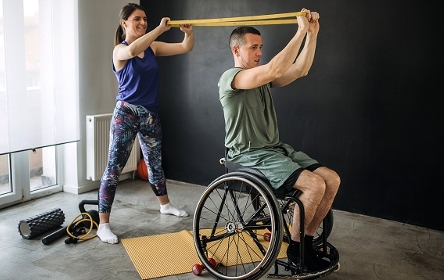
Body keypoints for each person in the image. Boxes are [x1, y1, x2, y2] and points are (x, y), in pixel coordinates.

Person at [218, 9, 340, 271]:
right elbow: (274, 68)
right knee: (315, 186)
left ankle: (305, 243)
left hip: (274, 150)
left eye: (261, 47)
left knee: (331, 179)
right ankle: (297, 250)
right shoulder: (233, 78)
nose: (259, 52)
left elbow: (300, 69)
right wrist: (299, 31)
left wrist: (312, 35)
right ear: (237, 51)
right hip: (248, 154)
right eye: (253, 47)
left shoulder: (261, 79)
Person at [97, 3, 194, 244]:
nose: (142, 22)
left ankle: (165, 205)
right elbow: (132, 51)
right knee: (114, 170)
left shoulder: (151, 47)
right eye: (137, 19)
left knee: (155, 164)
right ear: (124, 23)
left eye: (145, 19)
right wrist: (159, 30)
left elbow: (184, 47)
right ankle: (103, 225)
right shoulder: (119, 51)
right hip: (126, 114)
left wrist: (188, 33)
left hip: (150, 114)